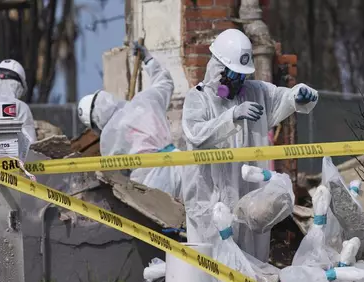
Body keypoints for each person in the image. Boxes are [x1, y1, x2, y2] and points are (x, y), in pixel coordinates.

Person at [182, 28, 319, 262]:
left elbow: (282, 98)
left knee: (251, 263)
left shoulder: (255, 93)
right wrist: (231, 116)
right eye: (234, 74)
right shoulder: (199, 99)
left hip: (248, 198)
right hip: (211, 201)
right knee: (213, 268)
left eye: (242, 75)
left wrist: (299, 95)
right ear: (219, 70)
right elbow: (196, 134)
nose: (239, 80)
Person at [80, 42, 181, 199]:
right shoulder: (144, 100)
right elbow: (165, 83)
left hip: (151, 181)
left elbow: (115, 176)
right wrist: (148, 60)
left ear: (95, 123)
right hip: (181, 162)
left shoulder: (108, 137)